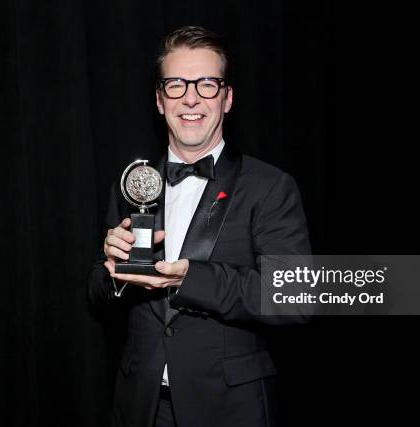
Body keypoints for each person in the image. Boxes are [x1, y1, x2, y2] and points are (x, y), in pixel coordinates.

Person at [89, 26, 311, 427]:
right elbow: (97, 294)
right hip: (139, 405)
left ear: (227, 98)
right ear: (159, 100)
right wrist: (113, 274)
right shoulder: (134, 183)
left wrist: (191, 279)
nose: (190, 98)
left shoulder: (270, 187)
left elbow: (296, 299)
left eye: (207, 84)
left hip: (230, 410)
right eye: (176, 84)